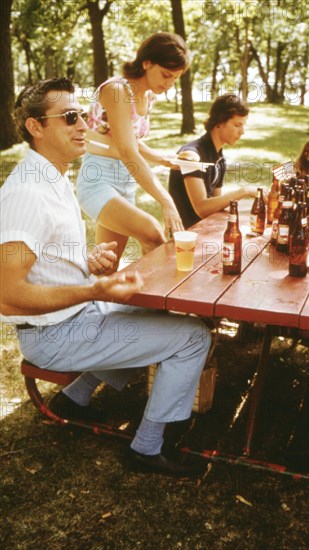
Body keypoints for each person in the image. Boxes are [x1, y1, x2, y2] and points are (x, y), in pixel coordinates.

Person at [0, 78, 211, 477]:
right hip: (54, 336)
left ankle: (74, 398)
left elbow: (44, 254)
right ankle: (147, 448)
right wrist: (95, 287)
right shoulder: (28, 191)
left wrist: (83, 258)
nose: (84, 124)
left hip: (77, 318)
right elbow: (7, 296)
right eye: (68, 117)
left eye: (81, 114)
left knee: (150, 312)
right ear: (35, 127)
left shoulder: (52, 177)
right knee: (193, 335)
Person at [76, 32, 189, 270]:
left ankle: (97, 303)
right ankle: (160, 304)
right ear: (147, 62)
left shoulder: (148, 97)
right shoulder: (117, 91)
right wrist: (165, 199)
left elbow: (130, 140)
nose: (169, 83)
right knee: (153, 234)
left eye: (175, 79)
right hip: (98, 181)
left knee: (107, 267)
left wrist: (162, 158)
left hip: (126, 183)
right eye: (166, 75)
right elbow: (128, 152)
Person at [168, 93, 262, 229]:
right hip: (187, 236)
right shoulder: (191, 155)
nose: (242, 132)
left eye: (243, 125)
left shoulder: (219, 159)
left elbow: (217, 204)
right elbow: (201, 208)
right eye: (237, 125)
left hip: (208, 227)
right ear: (219, 123)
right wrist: (244, 191)